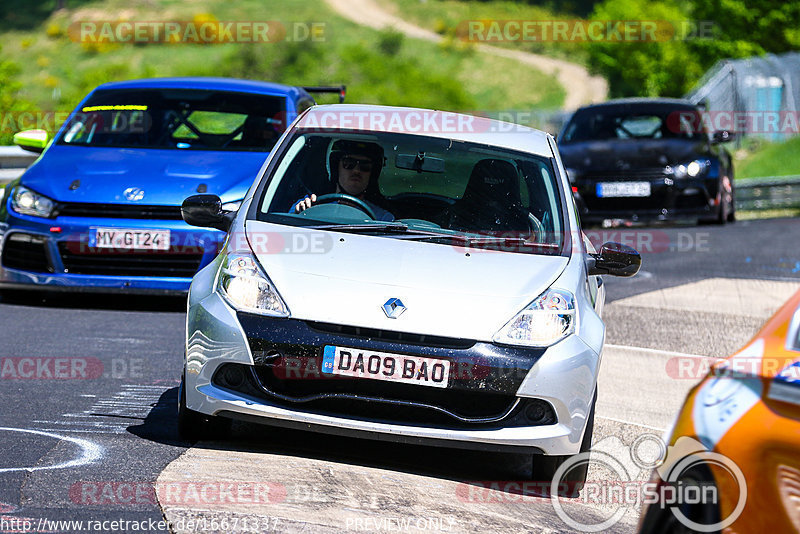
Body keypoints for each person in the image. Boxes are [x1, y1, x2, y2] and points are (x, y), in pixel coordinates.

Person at [293, 139, 394, 221]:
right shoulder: (309, 206)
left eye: (364, 166)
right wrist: (299, 213)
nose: (356, 171)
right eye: (349, 164)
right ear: (336, 169)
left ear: (372, 175)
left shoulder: (383, 219)